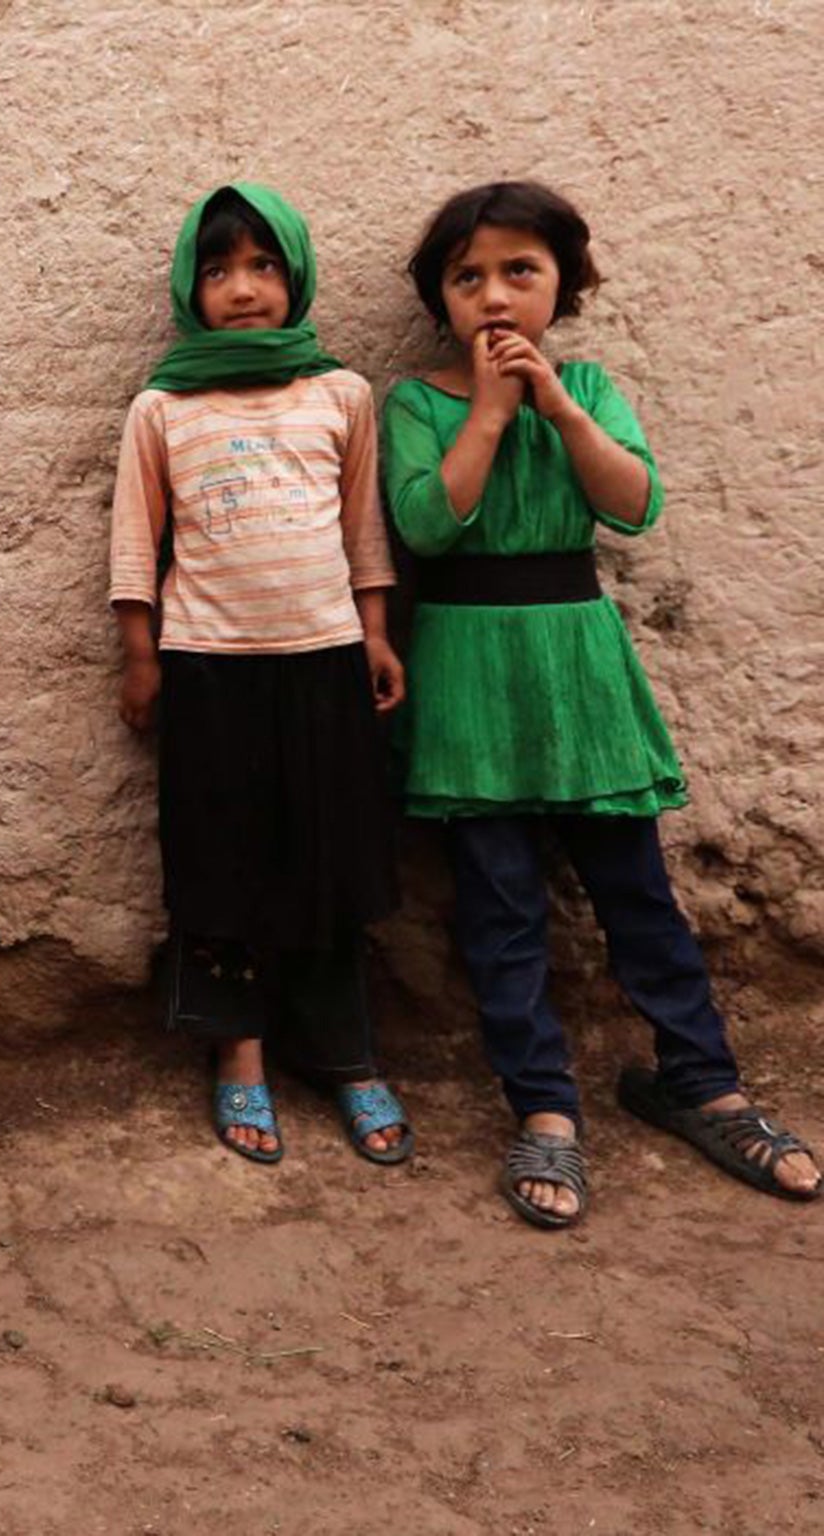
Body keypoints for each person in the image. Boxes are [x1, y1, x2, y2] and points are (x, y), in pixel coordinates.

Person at [383, 180, 819, 1228]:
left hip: (578, 676)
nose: (492, 295)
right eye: (466, 276)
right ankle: (542, 1111)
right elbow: (424, 527)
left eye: (518, 272)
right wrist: (485, 415)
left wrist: (556, 409)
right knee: (499, 913)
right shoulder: (412, 402)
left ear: (561, 286)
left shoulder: (588, 388)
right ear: (437, 297)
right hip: (470, 683)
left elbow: (631, 505)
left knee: (638, 899)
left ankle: (700, 1082)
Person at [110, 184, 412, 1166]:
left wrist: (372, 633)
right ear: (189, 290)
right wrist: (141, 656)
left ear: (294, 278)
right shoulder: (162, 407)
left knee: (330, 861)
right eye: (217, 270)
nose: (241, 289)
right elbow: (132, 543)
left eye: (261, 266)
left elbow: (364, 529)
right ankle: (237, 1057)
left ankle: (345, 1057)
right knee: (218, 863)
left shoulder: (339, 395)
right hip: (208, 670)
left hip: (324, 662)